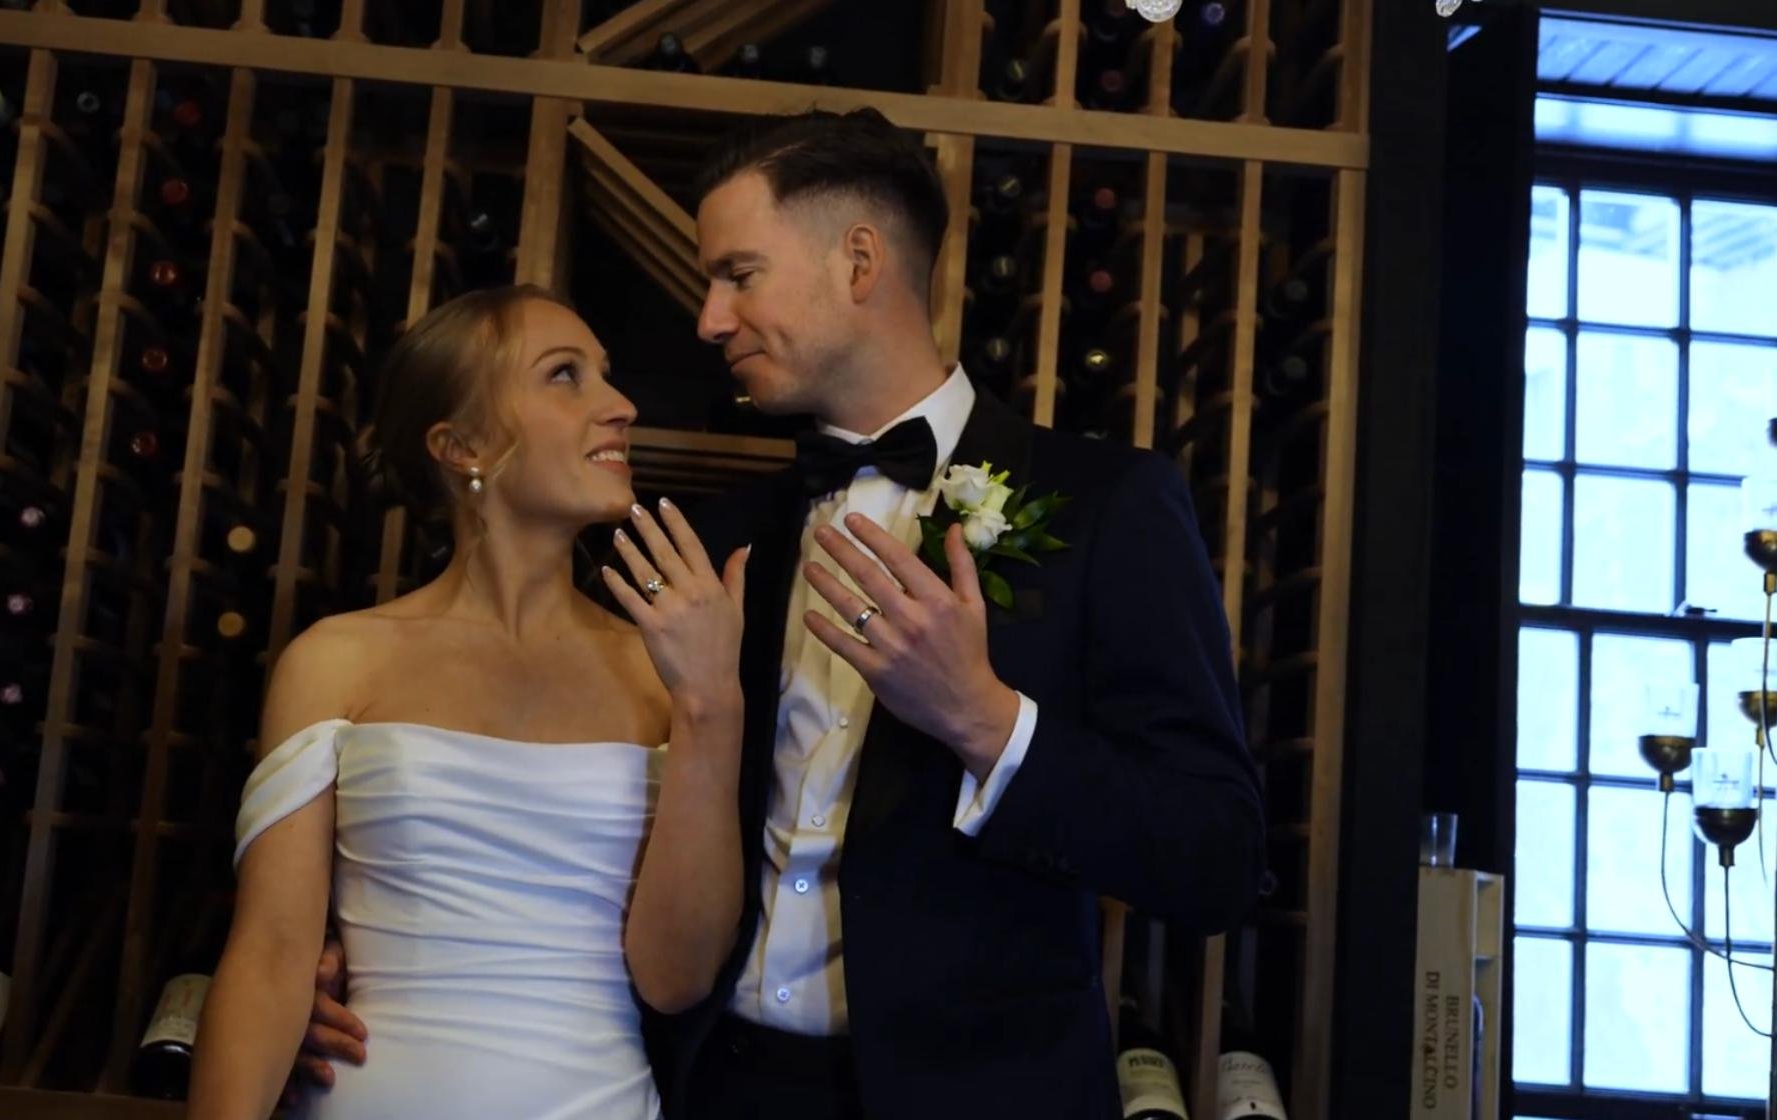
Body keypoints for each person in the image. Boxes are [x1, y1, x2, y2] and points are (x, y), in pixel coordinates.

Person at [296, 109, 1265, 1119]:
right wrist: (351, 956)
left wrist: (984, 718)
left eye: (738, 274)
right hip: (716, 1087)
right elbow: (555, 793)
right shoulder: (713, 543)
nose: (709, 318)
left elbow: (1217, 860)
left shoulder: (1108, 505)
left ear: (857, 261)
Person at [186, 285, 751, 1120]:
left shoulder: (661, 673)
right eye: (566, 376)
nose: (621, 406)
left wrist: (712, 705)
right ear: (460, 446)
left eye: (606, 375)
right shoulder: (336, 661)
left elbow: (676, 980)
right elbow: (270, 955)